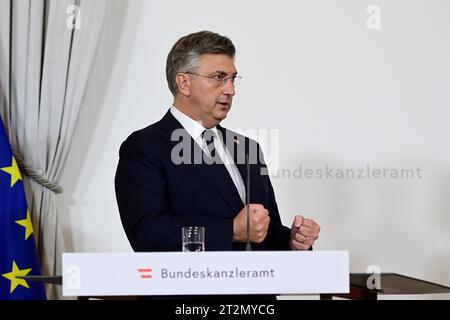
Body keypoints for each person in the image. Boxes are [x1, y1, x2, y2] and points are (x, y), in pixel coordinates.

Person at [115, 31, 320, 256]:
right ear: (184, 83)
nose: (230, 90)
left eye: (232, 79)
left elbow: (262, 235)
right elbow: (147, 234)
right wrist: (230, 231)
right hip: (191, 290)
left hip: (255, 289)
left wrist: (293, 242)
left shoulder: (248, 148)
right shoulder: (145, 147)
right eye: (218, 77)